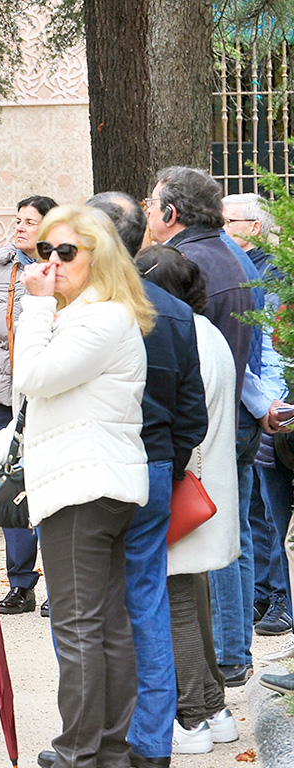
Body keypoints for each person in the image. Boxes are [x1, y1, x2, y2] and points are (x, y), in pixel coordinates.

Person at [0, 205, 156, 768]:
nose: (53, 262)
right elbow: (34, 412)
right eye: (46, 251)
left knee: (80, 624)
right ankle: (106, 748)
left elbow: (32, 378)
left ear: (101, 257)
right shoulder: (82, 316)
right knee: (102, 622)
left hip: (85, 488)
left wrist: (36, 305)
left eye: (67, 252)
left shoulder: (101, 319)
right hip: (88, 482)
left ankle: (81, 749)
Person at [89, 191, 208, 766]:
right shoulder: (175, 311)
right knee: (146, 602)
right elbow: (193, 415)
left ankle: (96, 740)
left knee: (89, 610)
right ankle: (149, 741)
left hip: (104, 470)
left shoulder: (88, 305)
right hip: (156, 467)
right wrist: (170, 462)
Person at [147, 166, 258, 686]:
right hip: (234, 412)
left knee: (208, 541)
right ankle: (235, 648)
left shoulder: (187, 262)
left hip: (207, 424)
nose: (148, 215)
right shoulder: (230, 252)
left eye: (152, 205)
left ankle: (228, 657)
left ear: (170, 213)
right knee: (232, 533)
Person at [135, 244, 241, 757]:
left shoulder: (176, 333)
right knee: (190, 598)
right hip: (203, 486)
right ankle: (214, 706)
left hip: (181, 486)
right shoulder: (207, 332)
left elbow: (181, 418)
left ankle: (193, 715)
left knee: (174, 601)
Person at [0, 194, 56, 615]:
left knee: (48, 487)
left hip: (39, 393)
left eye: (29, 221)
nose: (19, 227)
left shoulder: (57, 273)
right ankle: (21, 584)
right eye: (17, 220)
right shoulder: (0, 267)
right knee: (10, 484)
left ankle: (59, 584)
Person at [222, 192, 293, 638]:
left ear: (252, 227)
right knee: (256, 508)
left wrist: (274, 404)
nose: (222, 228)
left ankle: (280, 600)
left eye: (228, 221)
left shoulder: (275, 274)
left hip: (275, 405)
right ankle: (264, 595)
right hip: (261, 405)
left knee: (272, 512)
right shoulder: (241, 269)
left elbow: (273, 347)